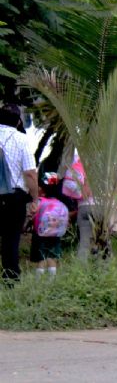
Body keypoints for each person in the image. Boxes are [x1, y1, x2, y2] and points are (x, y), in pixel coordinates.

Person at [0, 104, 37, 284]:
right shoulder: (22, 140)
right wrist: (35, 198)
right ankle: (10, 277)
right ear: (18, 121)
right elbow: (30, 173)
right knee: (11, 238)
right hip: (14, 197)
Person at [30, 173, 67, 276]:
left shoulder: (39, 201)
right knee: (52, 257)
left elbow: (32, 214)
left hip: (40, 234)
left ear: (43, 188)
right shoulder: (60, 203)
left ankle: (38, 282)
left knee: (41, 258)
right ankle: (51, 282)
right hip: (55, 234)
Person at [62, 157, 95, 260]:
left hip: (83, 207)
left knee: (84, 243)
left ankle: (80, 271)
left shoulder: (79, 164)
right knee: (103, 243)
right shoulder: (103, 166)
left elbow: (84, 194)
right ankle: (103, 272)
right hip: (102, 209)